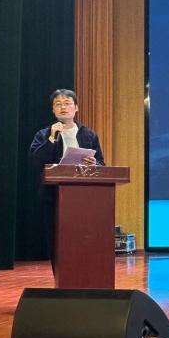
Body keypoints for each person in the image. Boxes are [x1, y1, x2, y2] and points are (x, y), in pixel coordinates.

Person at [29, 89, 106, 269]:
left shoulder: (88, 134)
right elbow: (35, 161)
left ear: (76, 107)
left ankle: (84, 275)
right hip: (54, 196)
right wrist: (51, 139)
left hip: (85, 196)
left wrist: (94, 163)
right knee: (57, 240)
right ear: (53, 110)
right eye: (58, 104)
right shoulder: (44, 134)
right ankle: (61, 278)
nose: (63, 107)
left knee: (84, 238)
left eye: (67, 103)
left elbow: (101, 163)